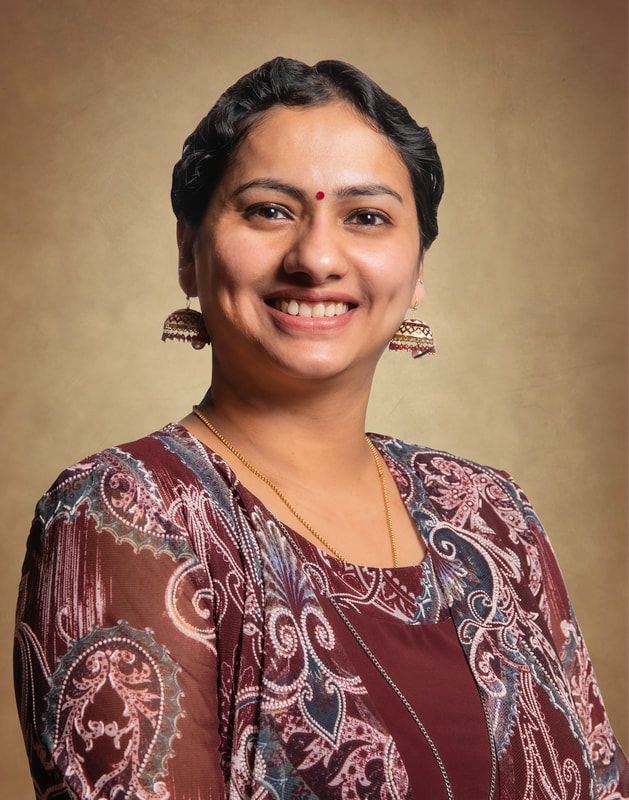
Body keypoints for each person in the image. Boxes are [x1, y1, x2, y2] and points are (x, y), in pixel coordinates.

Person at [13, 56, 627, 800]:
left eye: (365, 216)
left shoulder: (492, 514)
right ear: (187, 250)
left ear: (417, 265)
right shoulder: (122, 513)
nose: (316, 258)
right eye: (269, 210)